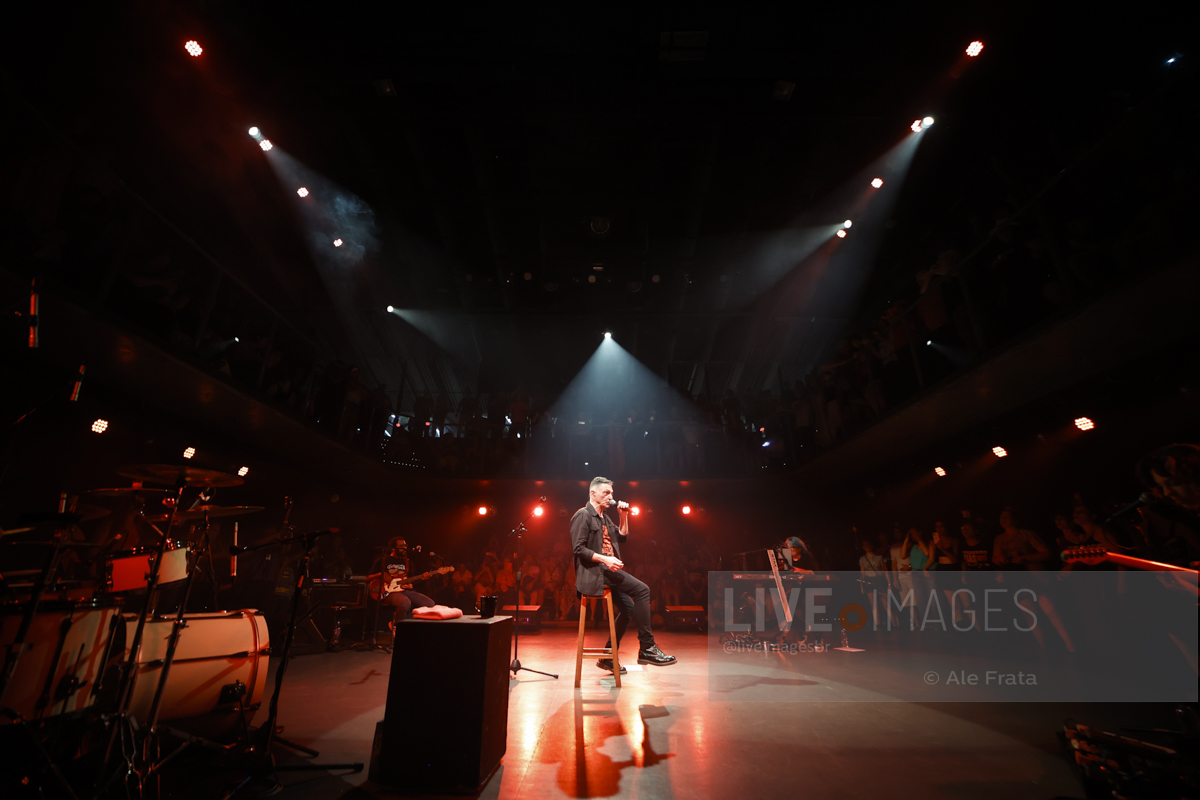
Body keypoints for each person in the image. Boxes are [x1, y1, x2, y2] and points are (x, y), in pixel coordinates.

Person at [571, 476, 676, 672]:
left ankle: (608, 657)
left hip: (608, 570)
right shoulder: (583, 515)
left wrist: (623, 515)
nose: (610, 496)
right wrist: (605, 559)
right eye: (606, 492)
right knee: (643, 590)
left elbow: (622, 537)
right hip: (596, 572)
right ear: (593, 493)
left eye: (611, 493)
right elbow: (578, 549)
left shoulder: (605, 517)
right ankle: (647, 647)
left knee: (628, 609)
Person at [368, 537, 435, 633]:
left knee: (430, 604)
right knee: (405, 602)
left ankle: (409, 624)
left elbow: (410, 581)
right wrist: (381, 574)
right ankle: (397, 626)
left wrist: (421, 579)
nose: (405, 548)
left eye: (405, 546)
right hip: (388, 591)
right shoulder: (383, 560)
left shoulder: (408, 562)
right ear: (393, 548)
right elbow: (368, 578)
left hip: (404, 590)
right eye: (402, 546)